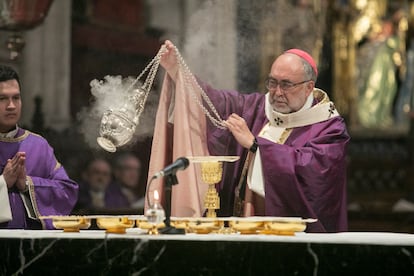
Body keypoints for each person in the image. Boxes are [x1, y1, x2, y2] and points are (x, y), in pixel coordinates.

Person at [148, 40, 350, 232]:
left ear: (309, 87)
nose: (277, 92)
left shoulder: (329, 128)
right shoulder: (256, 108)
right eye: (272, 82)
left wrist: (256, 146)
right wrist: (180, 73)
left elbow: (314, 177)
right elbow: (216, 103)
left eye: (286, 84)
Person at [0, 65, 78, 229]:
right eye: (2, 99)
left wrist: (27, 184)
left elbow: (67, 191)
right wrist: (3, 182)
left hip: (31, 248)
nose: (11, 106)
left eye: (16, 98)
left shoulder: (37, 145)